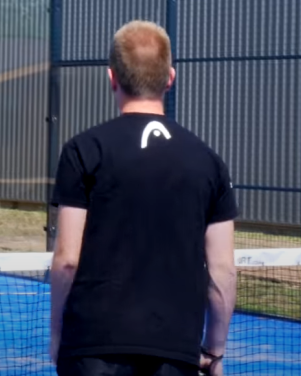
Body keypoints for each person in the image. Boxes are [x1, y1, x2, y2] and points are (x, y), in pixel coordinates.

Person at [49, 21, 237, 376]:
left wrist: (57, 334)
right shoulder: (209, 161)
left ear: (111, 78)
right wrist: (215, 351)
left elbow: (67, 261)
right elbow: (223, 270)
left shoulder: (83, 151)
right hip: (175, 350)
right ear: (170, 78)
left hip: (91, 348)